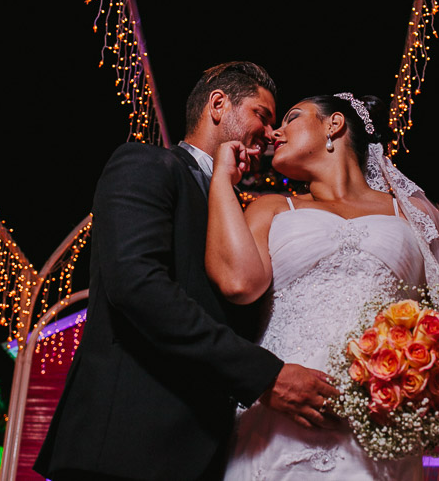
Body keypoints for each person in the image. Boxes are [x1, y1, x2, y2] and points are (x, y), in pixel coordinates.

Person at [34, 62, 338, 481]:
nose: (270, 134)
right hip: (126, 449)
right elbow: (138, 286)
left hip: (209, 455)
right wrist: (265, 376)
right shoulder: (146, 164)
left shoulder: (242, 213)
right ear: (218, 105)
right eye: (261, 115)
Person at [206, 93, 439, 480]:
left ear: (333, 125)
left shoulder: (412, 213)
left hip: (383, 419)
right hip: (284, 412)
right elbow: (238, 284)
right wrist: (221, 178)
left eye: (292, 117)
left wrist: (426, 368)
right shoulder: (272, 208)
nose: (275, 133)